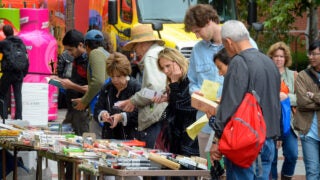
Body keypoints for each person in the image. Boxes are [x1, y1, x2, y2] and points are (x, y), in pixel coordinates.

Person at [183, 4, 258, 159]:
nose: (197, 36)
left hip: (235, 122)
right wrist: (195, 92)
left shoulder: (242, 41)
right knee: (208, 169)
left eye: (198, 30)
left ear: (210, 20)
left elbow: (255, 76)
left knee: (232, 171)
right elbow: (193, 82)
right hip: (205, 122)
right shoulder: (198, 50)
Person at [209, 20, 281, 179]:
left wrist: (217, 139)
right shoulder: (269, 62)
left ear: (229, 42)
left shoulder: (238, 62)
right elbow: (276, 103)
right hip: (268, 139)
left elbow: (229, 104)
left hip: (245, 142)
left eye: (224, 45)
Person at [115, 24, 167, 148]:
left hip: (155, 117)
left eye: (135, 47)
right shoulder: (159, 52)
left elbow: (154, 89)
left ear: (142, 44)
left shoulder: (150, 57)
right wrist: (132, 100)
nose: (135, 51)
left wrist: (133, 101)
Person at [154, 47, 199, 156]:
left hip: (190, 137)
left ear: (177, 62)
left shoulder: (189, 79)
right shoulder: (178, 80)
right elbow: (178, 103)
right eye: (162, 68)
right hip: (179, 136)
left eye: (168, 66)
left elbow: (183, 107)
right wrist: (169, 98)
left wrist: (173, 84)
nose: (165, 71)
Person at [267, 41, 298, 180]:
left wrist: (286, 97)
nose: (279, 59)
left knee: (292, 154)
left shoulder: (294, 75)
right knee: (271, 157)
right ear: (271, 58)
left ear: (286, 58)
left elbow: (300, 98)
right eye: (276, 56)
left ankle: (286, 177)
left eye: (281, 56)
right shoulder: (266, 74)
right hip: (270, 121)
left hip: (289, 122)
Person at [50, 29, 89, 136]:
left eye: (71, 50)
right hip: (72, 109)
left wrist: (71, 85)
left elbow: (92, 88)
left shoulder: (89, 61)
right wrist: (60, 81)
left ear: (80, 45)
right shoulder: (76, 59)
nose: (70, 53)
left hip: (82, 110)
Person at [72, 29, 110, 139]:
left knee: (95, 140)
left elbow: (98, 81)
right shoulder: (105, 53)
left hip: (98, 104)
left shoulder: (95, 53)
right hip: (105, 103)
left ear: (86, 45)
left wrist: (84, 100)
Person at [94, 52, 140, 140]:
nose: (115, 80)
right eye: (112, 76)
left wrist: (121, 117)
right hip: (109, 137)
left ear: (125, 73)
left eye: (118, 76)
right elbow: (97, 109)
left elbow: (140, 114)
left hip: (130, 138)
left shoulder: (136, 88)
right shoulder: (107, 87)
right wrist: (103, 114)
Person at [294, 40, 320, 180]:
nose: (311, 57)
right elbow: (302, 102)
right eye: (309, 53)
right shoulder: (303, 76)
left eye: (314, 54)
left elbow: (309, 100)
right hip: (309, 132)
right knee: (312, 172)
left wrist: (314, 96)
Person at [0, 25, 28, 120]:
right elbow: (26, 57)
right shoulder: (21, 42)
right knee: (18, 95)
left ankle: (4, 117)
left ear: (4, 33)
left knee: (3, 94)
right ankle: (19, 117)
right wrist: (24, 72)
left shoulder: (4, 43)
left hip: (8, 72)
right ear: (13, 31)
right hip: (19, 73)